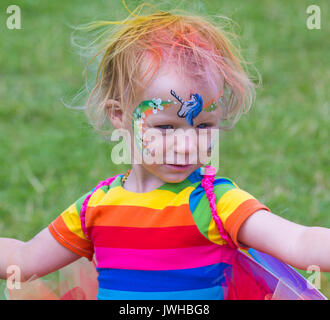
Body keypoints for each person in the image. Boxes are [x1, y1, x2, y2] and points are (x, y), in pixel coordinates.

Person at [1, 2, 329, 300]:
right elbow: (24, 258)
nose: (187, 145)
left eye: (203, 126)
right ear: (119, 115)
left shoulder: (216, 205)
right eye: (165, 127)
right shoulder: (94, 210)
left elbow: (299, 243)